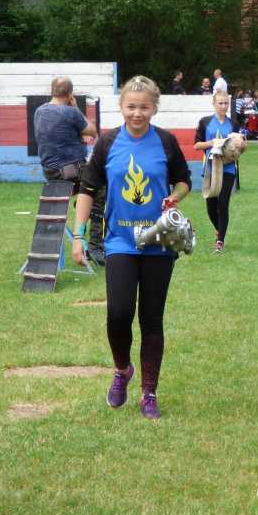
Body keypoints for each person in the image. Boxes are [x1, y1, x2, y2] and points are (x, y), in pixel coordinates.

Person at [71, 76, 192, 420]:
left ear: (154, 108)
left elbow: (184, 180)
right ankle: (122, 370)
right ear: (121, 107)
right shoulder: (108, 143)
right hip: (120, 242)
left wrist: (175, 196)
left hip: (158, 242)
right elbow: (87, 190)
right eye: (131, 106)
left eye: (144, 107)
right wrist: (78, 236)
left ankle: (149, 393)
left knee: (151, 319)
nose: (137, 113)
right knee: (119, 313)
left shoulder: (166, 142)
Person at [35, 77, 105, 264]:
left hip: (50, 172)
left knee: (90, 187)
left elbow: (59, 135)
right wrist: (75, 107)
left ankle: (83, 204)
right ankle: (97, 247)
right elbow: (92, 131)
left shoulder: (40, 111)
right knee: (101, 190)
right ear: (69, 94)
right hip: (71, 171)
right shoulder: (70, 112)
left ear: (52, 91)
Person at [194, 90, 244, 253]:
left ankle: (220, 241)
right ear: (214, 104)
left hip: (228, 169)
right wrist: (212, 143)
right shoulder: (205, 122)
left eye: (226, 103)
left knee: (223, 203)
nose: (223, 106)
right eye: (220, 103)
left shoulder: (234, 124)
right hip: (210, 168)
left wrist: (241, 145)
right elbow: (196, 145)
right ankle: (219, 229)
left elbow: (241, 147)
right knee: (210, 207)